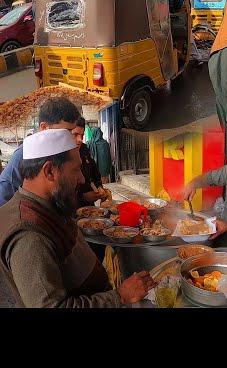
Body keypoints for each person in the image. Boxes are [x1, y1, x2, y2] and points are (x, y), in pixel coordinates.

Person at [0, 129, 155, 307]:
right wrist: (120, 296)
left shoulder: (48, 206)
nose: (81, 178)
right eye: (75, 170)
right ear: (49, 171)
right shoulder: (28, 234)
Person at [0, 97, 81, 207]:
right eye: (67, 132)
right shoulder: (23, 155)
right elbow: (4, 200)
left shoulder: (63, 151)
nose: (74, 139)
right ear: (44, 127)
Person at [72, 117, 107, 207]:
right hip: (71, 211)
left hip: (89, 208)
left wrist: (99, 187)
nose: (80, 140)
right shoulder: (61, 157)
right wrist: (82, 197)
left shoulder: (84, 150)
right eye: (75, 135)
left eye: (82, 135)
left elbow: (94, 172)